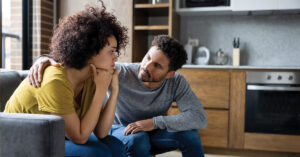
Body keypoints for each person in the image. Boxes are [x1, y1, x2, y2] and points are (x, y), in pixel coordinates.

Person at [29, 35, 208, 157]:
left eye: (157, 66)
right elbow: (81, 61)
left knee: (190, 136)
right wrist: (45, 58)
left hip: (153, 131)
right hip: (119, 130)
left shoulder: (176, 82)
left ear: (169, 73)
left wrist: (152, 123)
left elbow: (199, 118)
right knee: (138, 139)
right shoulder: (121, 72)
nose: (146, 66)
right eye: (147, 58)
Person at [4, 2, 128, 157]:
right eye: (111, 51)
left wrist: (114, 91)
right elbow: (80, 137)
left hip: (54, 136)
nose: (116, 58)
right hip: (22, 142)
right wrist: (101, 89)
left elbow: (102, 132)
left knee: (115, 146)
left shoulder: (92, 77)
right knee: (97, 152)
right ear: (89, 50)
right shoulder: (55, 80)